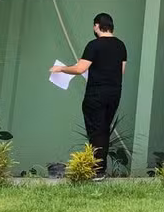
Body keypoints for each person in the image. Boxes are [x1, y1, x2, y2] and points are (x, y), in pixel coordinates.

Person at [49, 13, 127, 179]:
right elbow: (121, 72)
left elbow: (79, 69)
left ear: (97, 26)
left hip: (96, 93)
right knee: (104, 129)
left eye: (94, 26)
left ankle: (96, 171)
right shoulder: (121, 46)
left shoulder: (94, 45)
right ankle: (100, 169)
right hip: (114, 92)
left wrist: (60, 69)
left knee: (95, 130)